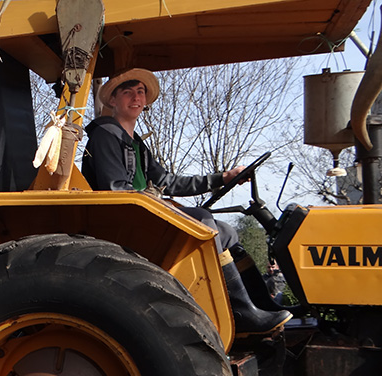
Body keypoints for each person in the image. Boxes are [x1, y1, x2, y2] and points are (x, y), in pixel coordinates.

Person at [82, 68, 291, 334]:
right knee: (203, 220)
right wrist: (159, 203)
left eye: (140, 92)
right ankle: (239, 314)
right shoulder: (105, 135)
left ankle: (261, 304)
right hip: (125, 222)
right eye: (127, 92)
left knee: (226, 231)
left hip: (142, 213)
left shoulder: (136, 144)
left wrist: (222, 178)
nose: (136, 98)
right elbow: (117, 191)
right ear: (113, 100)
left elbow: (167, 181)